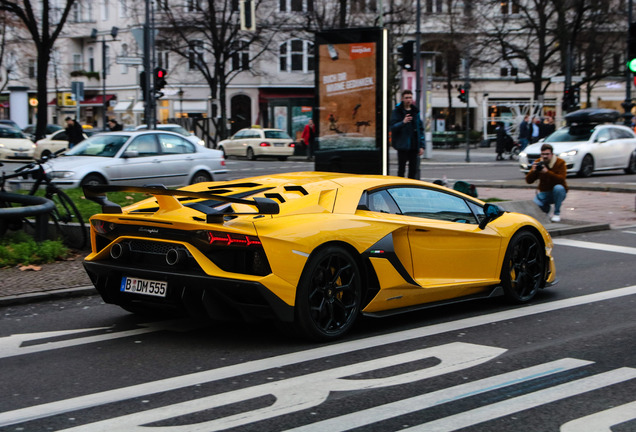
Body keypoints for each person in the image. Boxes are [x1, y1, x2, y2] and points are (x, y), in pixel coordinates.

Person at [525, 143, 568, 222]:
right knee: (536, 205)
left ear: (552, 154)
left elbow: (562, 179)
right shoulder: (538, 162)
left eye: (547, 154)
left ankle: (556, 213)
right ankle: (546, 210)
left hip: (558, 192)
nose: (545, 156)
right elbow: (528, 181)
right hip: (544, 192)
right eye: (543, 154)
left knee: (558, 188)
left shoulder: (560, 162)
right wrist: (533, 171)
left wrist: (547, 172)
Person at [390, 89, 425, 179]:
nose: (408, 100)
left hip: (414, 146)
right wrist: (403, 122)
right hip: (402, 145)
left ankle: (410, 188)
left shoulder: (415, 111)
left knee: (413, 170)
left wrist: (421, 145)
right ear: (402, 99)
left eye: (410, 97)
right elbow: (393, 127)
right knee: (401, 170)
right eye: (406, 98)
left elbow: (420, 129)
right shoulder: (397, 111)